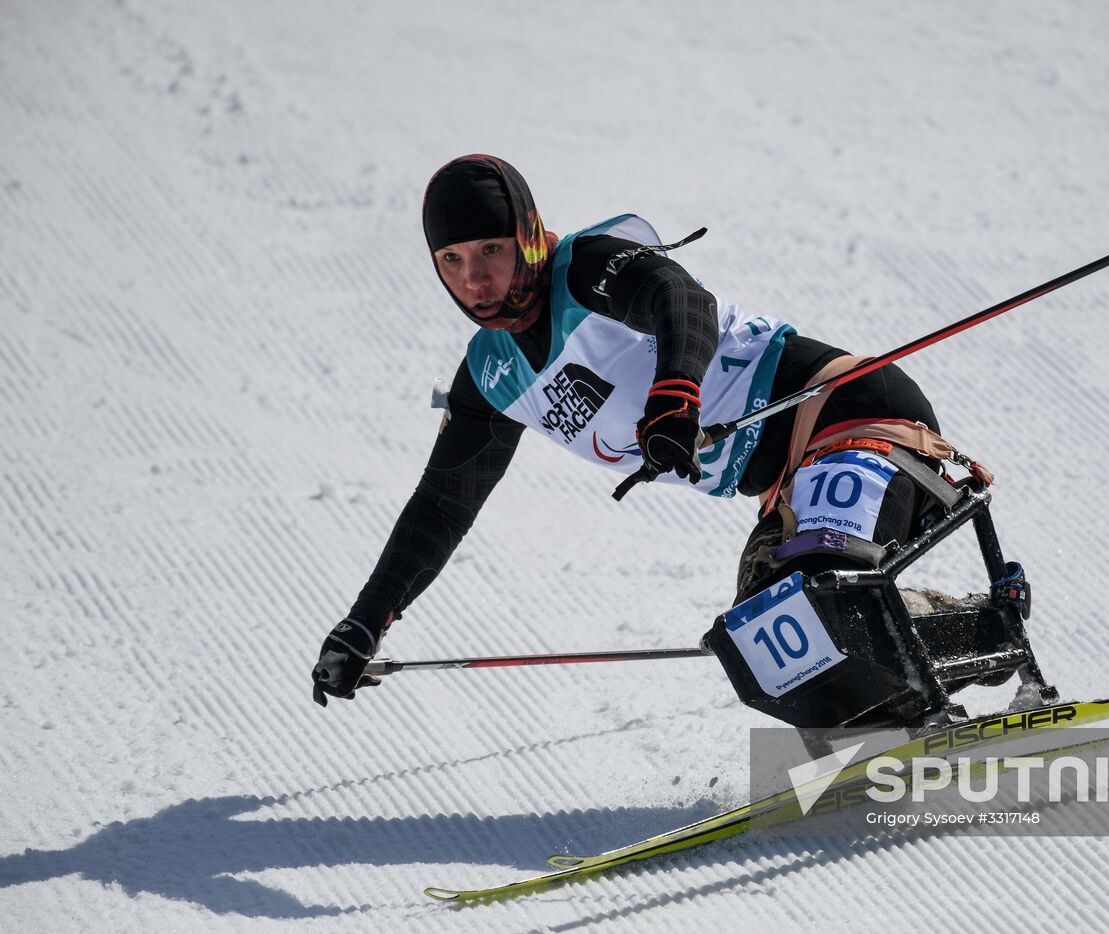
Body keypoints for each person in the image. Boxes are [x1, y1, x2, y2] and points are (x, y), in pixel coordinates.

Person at [312, 154, 981, 723]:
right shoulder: (492, 376)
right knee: (768, 654)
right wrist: (367, 620)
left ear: (527, 235)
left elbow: (679, 300)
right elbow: (441, 507)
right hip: (788, 484)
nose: (475, 279)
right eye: (451, 259)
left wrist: (676, 393)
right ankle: (938, 676)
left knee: (822, 611)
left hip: (851, 411)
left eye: (491, 249)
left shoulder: (585, 268)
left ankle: (940, 708)